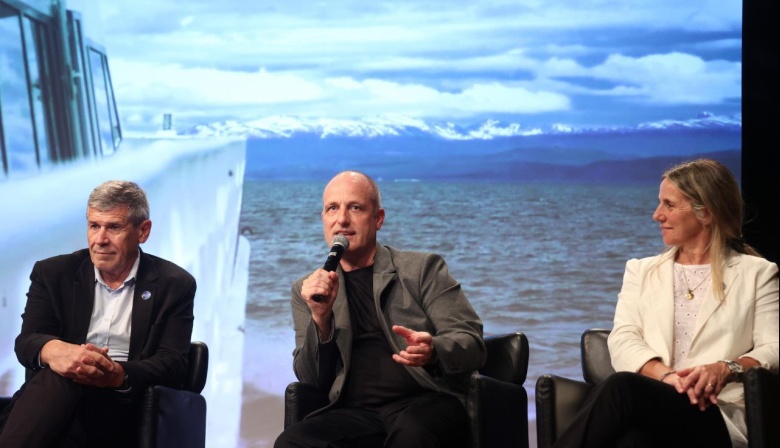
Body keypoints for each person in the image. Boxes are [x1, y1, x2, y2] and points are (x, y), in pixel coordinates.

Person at [554, 159, 778, 448]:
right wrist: (668, 377)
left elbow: (774, 347)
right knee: (633, 441)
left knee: (623, 387)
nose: (656, 215)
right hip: (654, 403)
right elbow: (623, 338)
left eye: (669, 205)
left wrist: (726, 368)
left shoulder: (757, 273)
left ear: (705, 212)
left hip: (716, 413)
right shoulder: (641, 270)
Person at [274, 170, 486, 448]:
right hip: (355, 413)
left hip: (424, 401)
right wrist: (320, 319)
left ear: (378, 219)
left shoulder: (422, 269)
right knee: (292, 442)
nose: (342, 219)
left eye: (355, 207)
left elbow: (471, 342)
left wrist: (434, 349)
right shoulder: (308, 290)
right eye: (332, 208)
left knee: (411, 434)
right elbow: (310, 379)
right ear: (323, 220)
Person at [0, 180, 196, 447]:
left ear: (143, 231)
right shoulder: (53, 273)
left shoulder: (174, 284)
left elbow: (172, 364)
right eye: (94, 226)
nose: (100, 240)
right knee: (66, 374)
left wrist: (117, 374)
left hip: (120, 407)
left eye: (114, 227)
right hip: (51, 402)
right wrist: (56, 351)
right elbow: (27, 341)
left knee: (69, 381)